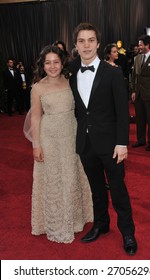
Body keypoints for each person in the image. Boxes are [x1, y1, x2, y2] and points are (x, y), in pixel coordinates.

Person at [69, 22, 137, 255]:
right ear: (75, 45)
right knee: (96, 189)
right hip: (86, 144)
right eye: (81, 41)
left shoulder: (113, 72)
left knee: (118, 190)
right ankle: (101, 224)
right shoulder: (71, 71)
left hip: (111, 145)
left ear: (98, 43)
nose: (86, 45)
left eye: (90, 40)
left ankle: (128, 232)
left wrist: (122, 143)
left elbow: (122, 111)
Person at [23, 45, 93, 243]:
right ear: (42, 65)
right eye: (48, 63)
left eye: (56, 62)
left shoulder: (71, 82)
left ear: (62, 63)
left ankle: (75, 219)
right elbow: (35, 118)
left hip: (71, 135)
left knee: (71, 175)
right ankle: (53, 222)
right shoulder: (37, 88)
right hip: (49, 138)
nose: (52, 66)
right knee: (53, 178)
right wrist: (36, 145)